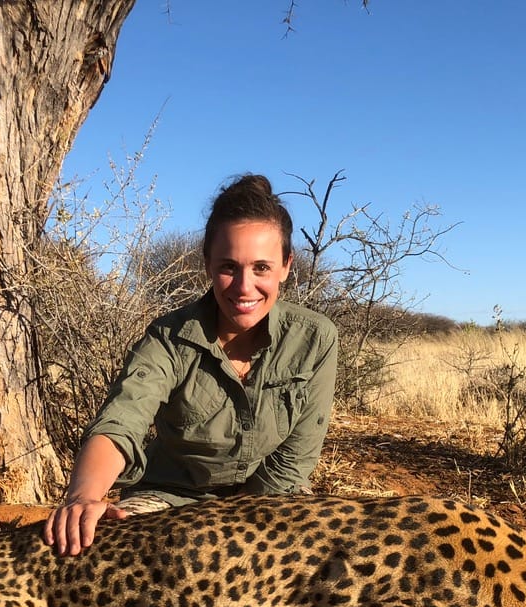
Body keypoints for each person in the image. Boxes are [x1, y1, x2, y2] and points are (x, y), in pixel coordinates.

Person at [43, 173, 338, 556]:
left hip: (271, 502)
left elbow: (294, 461)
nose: (244, 287)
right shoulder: (168, 337)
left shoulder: (315, 337)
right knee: (102, 557)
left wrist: (235, 532)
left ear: (286, 265)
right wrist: (82, 496)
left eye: (262, 268)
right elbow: (123, 419)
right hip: (171, 501)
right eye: (229, 267)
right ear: (207, 265)